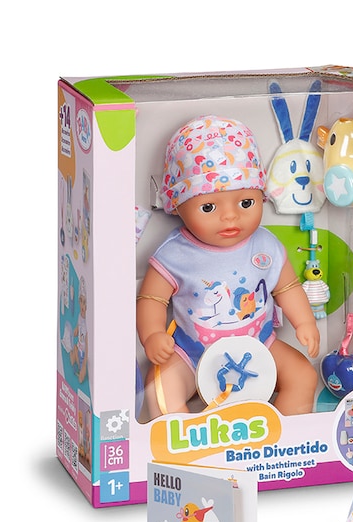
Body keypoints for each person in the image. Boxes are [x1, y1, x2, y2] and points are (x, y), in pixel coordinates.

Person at [137, 117, 319, 418]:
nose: (230, 216)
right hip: (192, 353)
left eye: (246, 203)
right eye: (209, 207)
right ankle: (188, 441)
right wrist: (153, 335)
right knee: (160, 390)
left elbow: (287, 287)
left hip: (259, 346)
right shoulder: (175, 254)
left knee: (303, 375)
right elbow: (151, 299)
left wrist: (305, 322)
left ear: (261, 196)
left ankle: (283, 435)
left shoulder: (265, 246)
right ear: (178, 205)